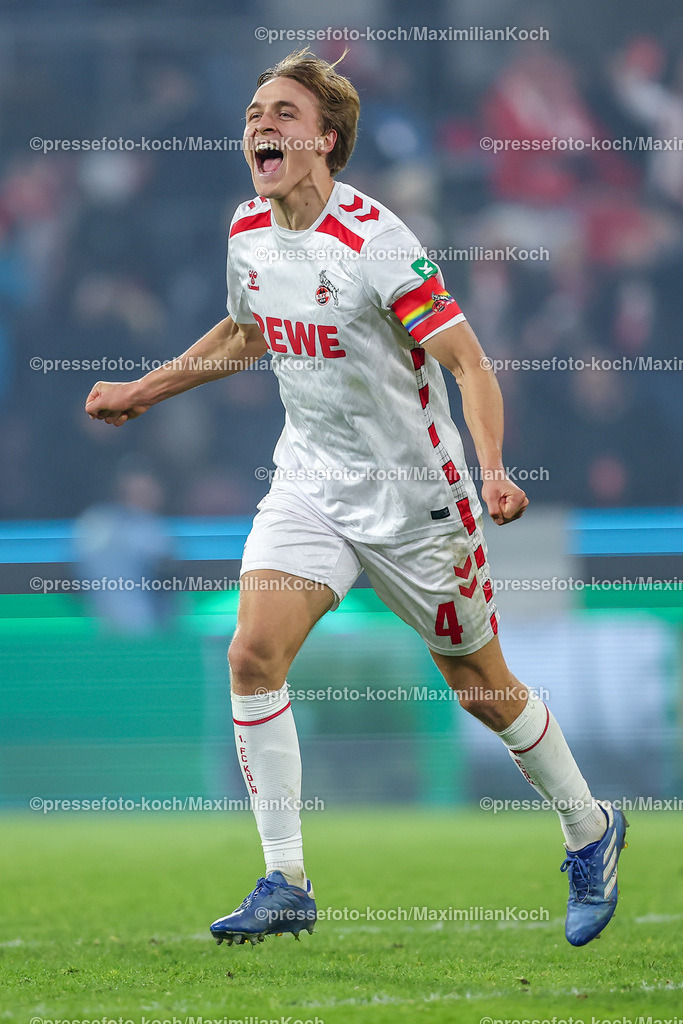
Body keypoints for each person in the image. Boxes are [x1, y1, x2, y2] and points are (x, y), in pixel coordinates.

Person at [85, 49, 627, 949]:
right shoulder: (247, 231)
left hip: (417, 501)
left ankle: (589, 826)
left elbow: (467, 362)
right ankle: (285, 879)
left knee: (478, 686)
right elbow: (245, 331)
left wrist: (491, 468)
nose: (262, 124)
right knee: (252, 654)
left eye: (285, 113)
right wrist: (144, 390)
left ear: (327, 141)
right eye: (257, 110)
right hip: (308, 483)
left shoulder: (376, 243)